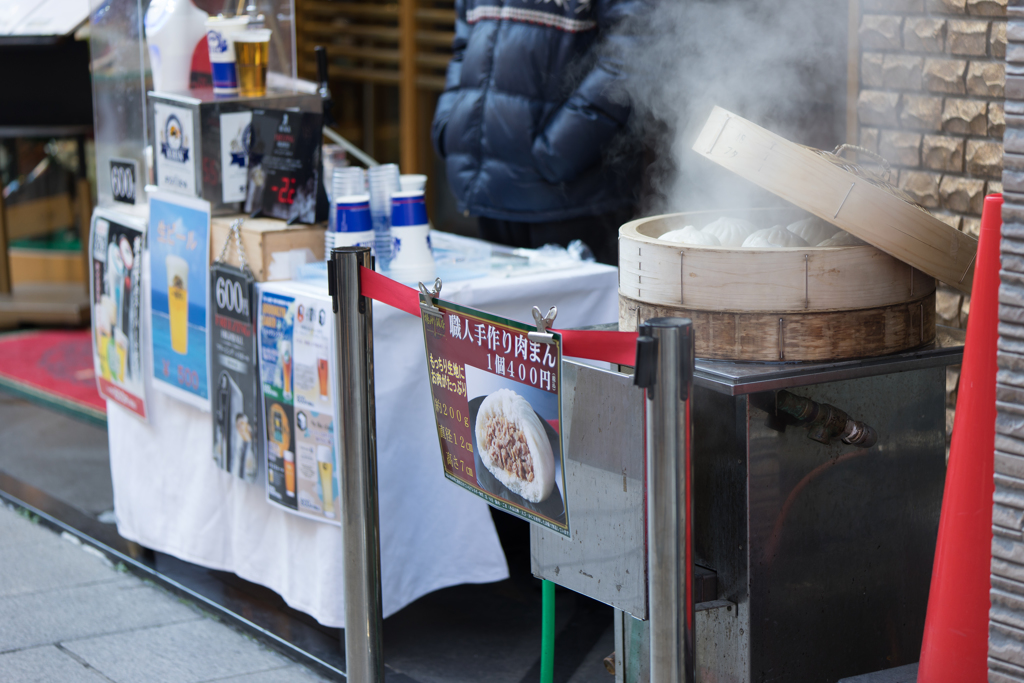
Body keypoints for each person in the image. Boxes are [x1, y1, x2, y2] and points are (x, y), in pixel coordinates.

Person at [431, 0, 644, 265]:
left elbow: (635, 44)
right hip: (488, 186)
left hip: (572, 195)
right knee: (495, 307)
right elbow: (465, 41)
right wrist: (449, 124)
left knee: (573, 306)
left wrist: (560, 151)